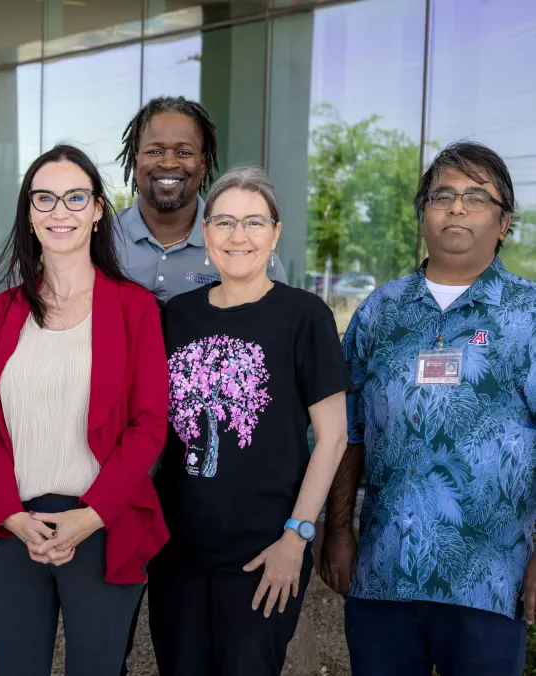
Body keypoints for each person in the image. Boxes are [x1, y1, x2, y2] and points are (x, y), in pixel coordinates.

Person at [0, 144, 170, 676]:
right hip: (15, 526)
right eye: (44, 199)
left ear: (96, 210)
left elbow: (149, 426)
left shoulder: (135, 308)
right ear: (29, 214)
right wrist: (12, 516)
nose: (59, 211)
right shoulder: (4, 311)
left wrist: (90, 516)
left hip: (101, 524)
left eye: (74, 197)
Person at [320, 142, 536, 676]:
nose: (457, 208)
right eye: (443, 195)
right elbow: (348, 428)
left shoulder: (527, 315)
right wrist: (339, 526)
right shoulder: (381, 310)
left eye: (475, 197)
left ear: (504, 222)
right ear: (423, 215)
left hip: (490, 580)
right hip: (383, 573)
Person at [149, 166, 349, 676]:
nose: (239, 236)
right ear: (205, 232)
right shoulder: (175, 317)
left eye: (254, 222)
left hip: (266, 554)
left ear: (275, 233)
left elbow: (333, 437)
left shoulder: (305, 317)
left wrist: (295, 538)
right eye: (224, 222)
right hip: (177, 554)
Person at [114, 96, 286, 300]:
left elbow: (279, 322)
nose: (169, 163)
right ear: (135, 162)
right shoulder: (100, 240)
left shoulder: (241, 244)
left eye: (184, 152)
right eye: (155, 151)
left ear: (203, 165)